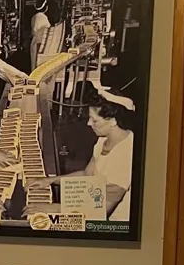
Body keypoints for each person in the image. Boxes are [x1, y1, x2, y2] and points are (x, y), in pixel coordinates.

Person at [28, 82, 136, 220]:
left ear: (112, 121)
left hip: (112, 222)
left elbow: (105, 205)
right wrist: (50, 180)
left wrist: (56, 208)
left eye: (94, 120)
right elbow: (87, 174)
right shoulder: (103, 140)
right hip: (93, 200)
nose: (89, 124)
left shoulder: (127, 153)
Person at [30, 0, 51, 70]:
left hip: (34, 42)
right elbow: (47, 29)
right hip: (40, 43)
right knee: (39, 66)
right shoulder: (43, 17)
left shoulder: (34, 17)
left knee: (34, 65)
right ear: (46, 7)